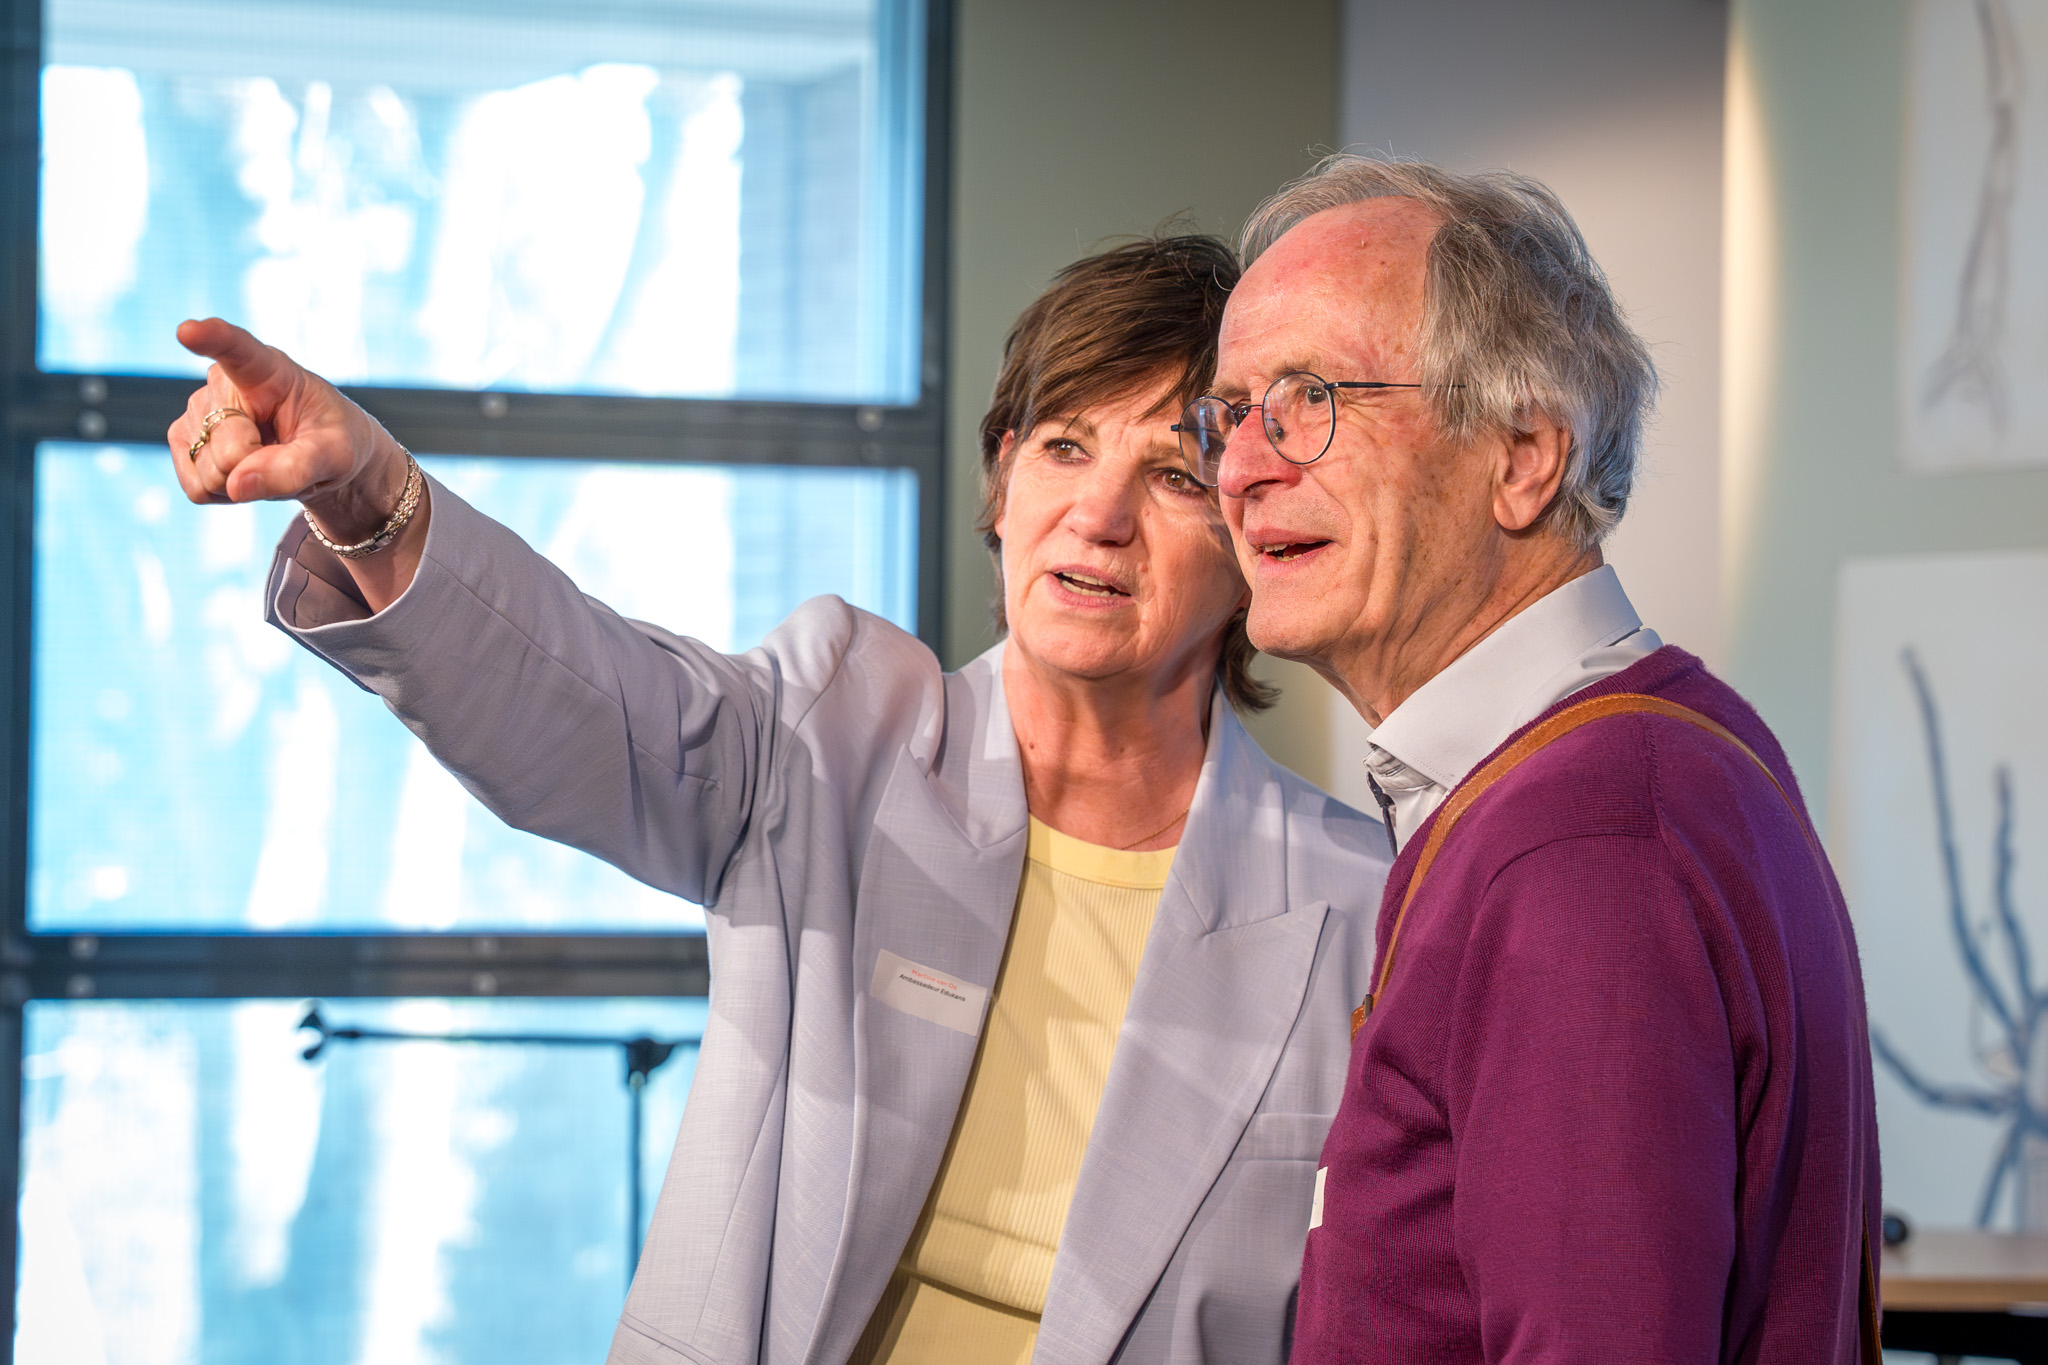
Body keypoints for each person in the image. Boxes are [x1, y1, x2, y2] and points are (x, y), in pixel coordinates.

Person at [164, 235, 1389, 1365]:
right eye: (1064, 447)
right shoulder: (836, 728)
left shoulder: (1360, 904)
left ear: (1252, 535)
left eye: (1173, 475)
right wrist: (370, 494)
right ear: (1003, 475)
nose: (1099, 517)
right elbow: (585, 700)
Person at [1176, 158, 1881, 1361]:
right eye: (1230, 413)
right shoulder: (1659, 755)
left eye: (1309, 397)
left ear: (1520, 458)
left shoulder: (1579, 844)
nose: (1238, 471)